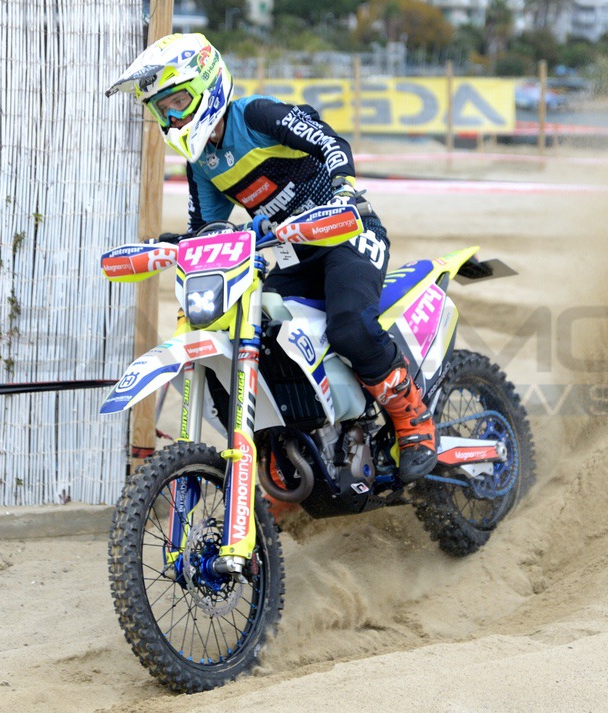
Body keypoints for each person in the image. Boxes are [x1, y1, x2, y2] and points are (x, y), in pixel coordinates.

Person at [106, 33, 436, 481]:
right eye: (162, 110)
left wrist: (344, 190)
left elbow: (331, 143)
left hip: (347, 234)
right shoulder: (202, 162)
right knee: (256, 340)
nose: (172, 118)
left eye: (178, 102)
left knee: (349, 329)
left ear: (207, 86)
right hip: (292, 257)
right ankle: (287, 455)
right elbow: (207, 231)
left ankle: (413, 420)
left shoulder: (256, 115)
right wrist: (167, 245)